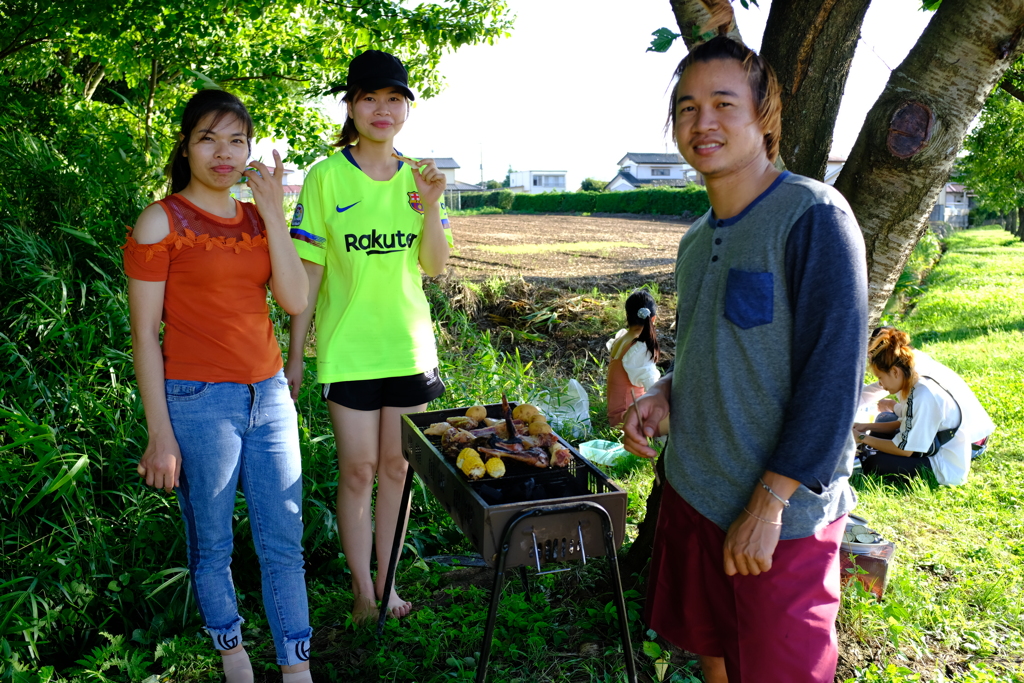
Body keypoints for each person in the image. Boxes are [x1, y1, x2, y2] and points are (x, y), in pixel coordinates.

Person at [622, 33, 868, 683]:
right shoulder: (697, 240)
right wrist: (664, 397)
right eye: (686, 107)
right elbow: (710, 350)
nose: (703, 121)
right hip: (697, 494)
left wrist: (769, 503)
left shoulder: (812, 216)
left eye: (723, 103)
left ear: (763, 116)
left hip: (780, 521)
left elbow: (832, 380)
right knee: (717, 663)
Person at [124, 90, 313, 682]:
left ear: (251, 150)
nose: (223, 152)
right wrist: (161, 436)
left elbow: (294, 299)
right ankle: (235, 662)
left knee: (284, 538)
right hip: (199, 402)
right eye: (208, 138)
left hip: (270, 396)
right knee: (214, 546)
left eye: (236, 140)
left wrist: (275, 212)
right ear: (186, 146)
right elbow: (145, 338)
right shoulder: (163, 220)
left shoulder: (259, 218)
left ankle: (297, 668)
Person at [284, 50, 451, 624]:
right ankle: (362, 592)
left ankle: (389, 585)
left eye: (395, 98)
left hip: (407, 346)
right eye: (370, 98)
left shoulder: (421, 177)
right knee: (357, 470)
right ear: (351, 106)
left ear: (407, 107)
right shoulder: (325, 176)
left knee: (396, 469)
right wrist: (296, 353)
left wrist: (430, 207)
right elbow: (310, 270)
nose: (383, 109)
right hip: (346, 350)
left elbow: (435, 265)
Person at [853, 328, 981, 484]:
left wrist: (862, 437)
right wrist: (863, 427)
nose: (880, 384)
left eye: (880, 378)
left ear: (894, 372)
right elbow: (904, 423)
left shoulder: (921, 396)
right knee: (879, 428)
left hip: (942, 466)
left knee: (873, 462)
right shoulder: (915, 385)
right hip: (931, 448)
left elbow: (905, 450)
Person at [606, 290, 661, 428]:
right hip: (627, 419)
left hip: (617, 416)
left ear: (627, 316)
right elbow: (653, 389)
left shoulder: (622, 339)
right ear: (653, 319)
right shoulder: (638, 348)